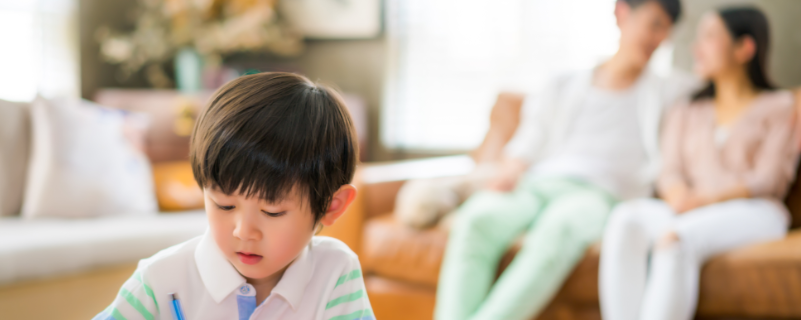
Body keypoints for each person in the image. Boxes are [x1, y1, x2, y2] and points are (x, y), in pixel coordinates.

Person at [434, 0, 698, 319]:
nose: (659, 38)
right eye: (654, 24)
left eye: (666, 31)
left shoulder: (672, 91)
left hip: (600, 196)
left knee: (558, 231)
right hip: (539, 184)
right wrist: (510, 169)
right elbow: (530, 140)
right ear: (621, 13)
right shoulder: (563, 83)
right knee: (477, 219)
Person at [93, 72, 374, 320]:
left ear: (331, 205)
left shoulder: (335, 271)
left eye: (272, 211)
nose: (244, 231)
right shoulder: (159, 279)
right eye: (224, 205)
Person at [599, 7, 798, 320]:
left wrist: (707, 199)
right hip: (690, 207)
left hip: (756, 209)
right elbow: (670, 170)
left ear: (744, 48)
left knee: (675, 238)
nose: (696, 47)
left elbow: (768, 178)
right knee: (626, 219)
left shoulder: (781, 106)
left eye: (709, 37)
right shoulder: (687, 108)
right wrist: (679, 196)